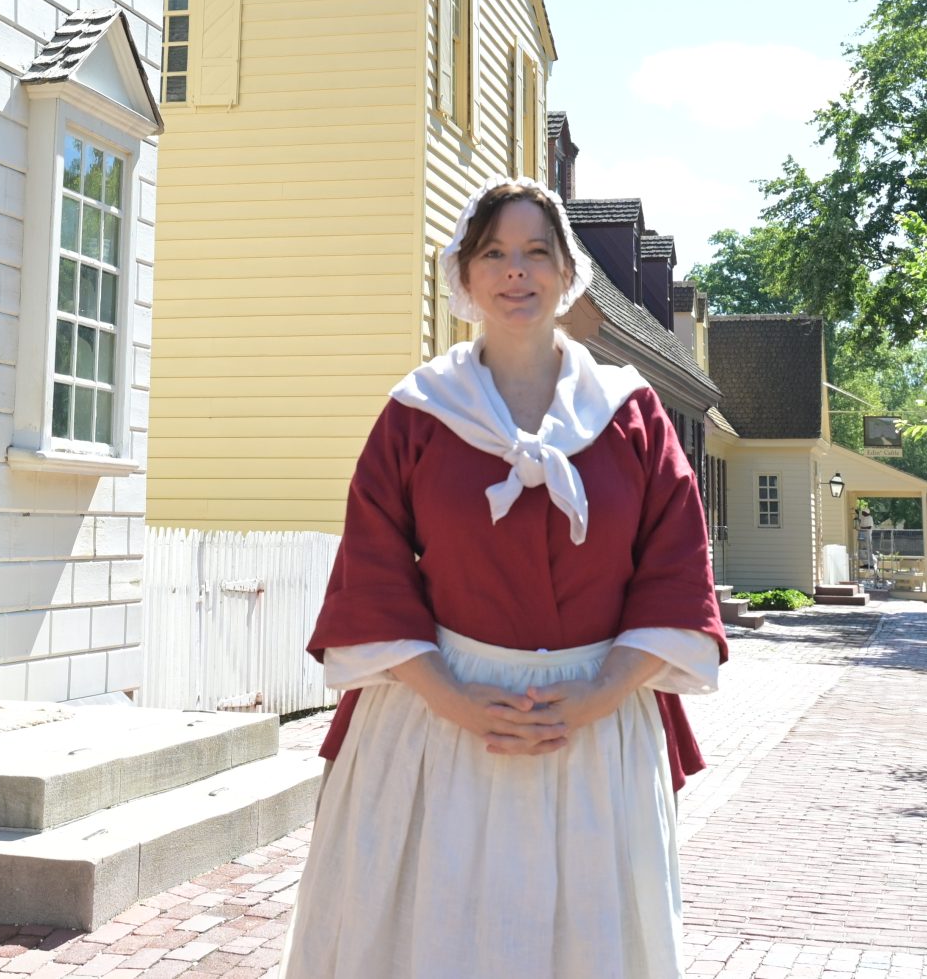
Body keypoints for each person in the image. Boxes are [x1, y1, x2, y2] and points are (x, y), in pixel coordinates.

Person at [281, 179, 725, 979]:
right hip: (437, 726)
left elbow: (675, 572)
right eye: (495, 253)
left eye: (535, 254)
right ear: (466, 272)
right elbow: (373, 570)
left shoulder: (631, 414)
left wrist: (597, 694)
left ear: (567, 273)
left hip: (592, 729)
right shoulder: (417, 413)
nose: (516, 272)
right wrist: (449, 693)